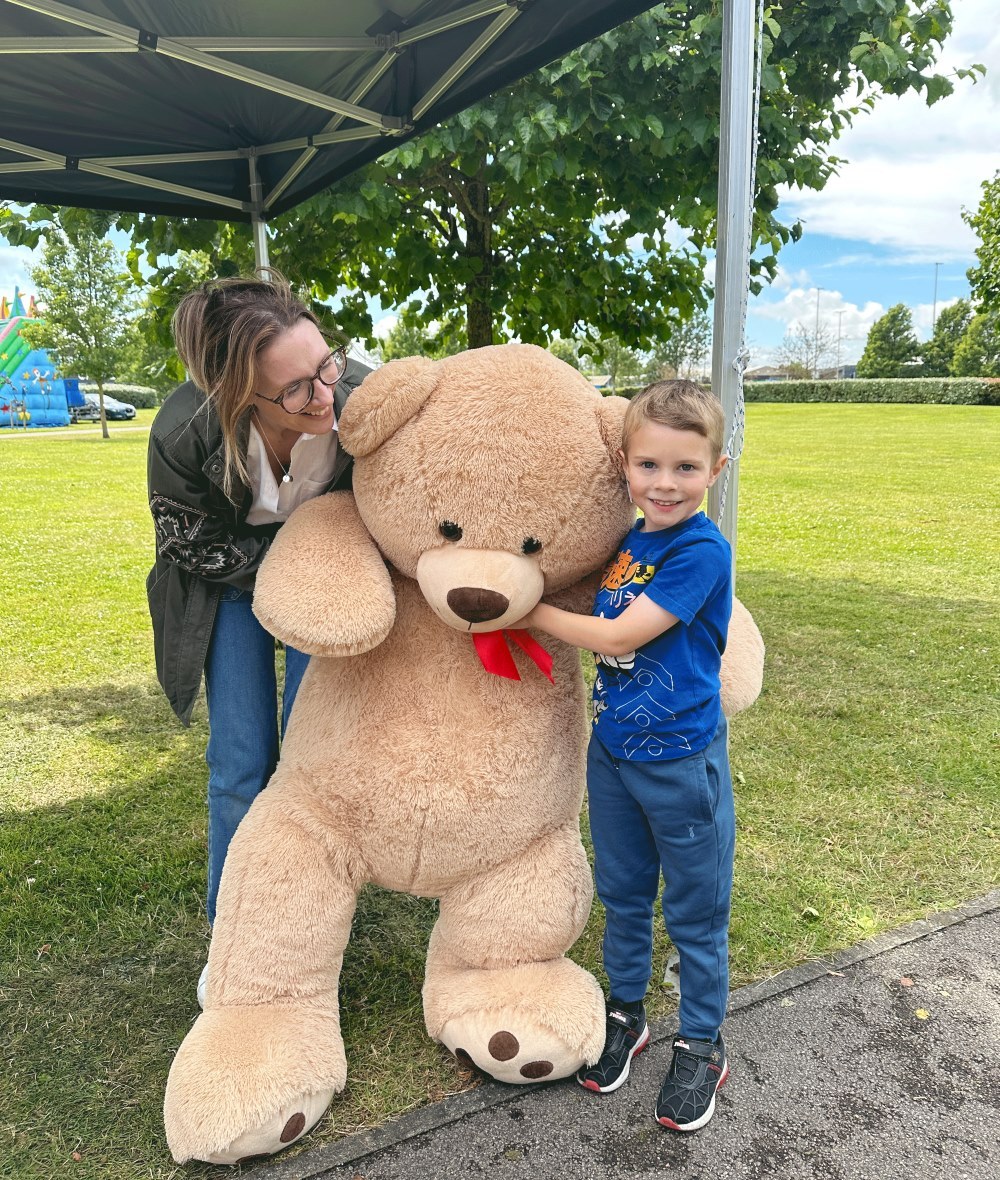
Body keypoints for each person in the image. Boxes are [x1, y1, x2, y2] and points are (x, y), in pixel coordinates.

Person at [521, 378, 734, 1132]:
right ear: (624, 463)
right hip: (612, 754)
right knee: (623, 892)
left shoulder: (700, 548)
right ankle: (628, 1012)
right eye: (649, 466)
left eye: (684, 467)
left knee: (696, 913)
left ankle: (702, 1041)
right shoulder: (628, 543)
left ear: (717, 468)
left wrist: (525, 609)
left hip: (681, 763)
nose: (665, 483)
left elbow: (615, 637)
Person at [145, 271, 370, 982]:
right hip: (227, 584)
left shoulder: (357, 399)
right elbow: (186, 538)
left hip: (324, 580)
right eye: (298, 389)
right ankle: (234, 929)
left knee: (312, 761)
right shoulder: (183, 430)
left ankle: (309, 918)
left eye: (326, 365)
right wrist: (278, 566)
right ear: (241, 394)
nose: (325, 394)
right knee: (241, 764)